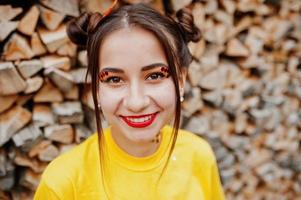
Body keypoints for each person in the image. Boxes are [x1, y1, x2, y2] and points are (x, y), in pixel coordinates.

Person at [34, 1, 225, 199]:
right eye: (114, 79)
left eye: (155, 76)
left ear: (181, 79)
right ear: (96, 89)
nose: (136, 103)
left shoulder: (199, 156)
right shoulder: (62, 183)